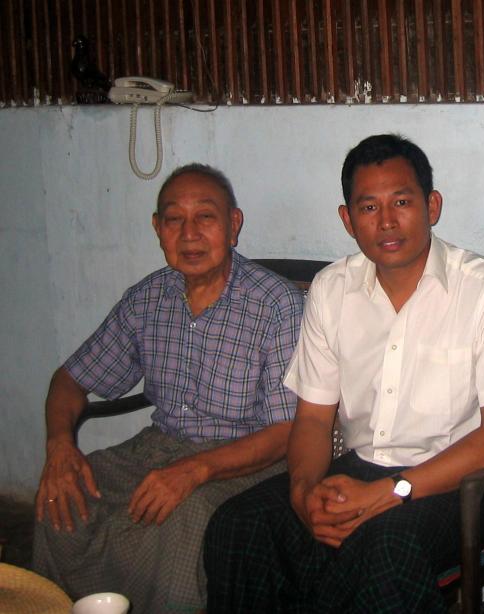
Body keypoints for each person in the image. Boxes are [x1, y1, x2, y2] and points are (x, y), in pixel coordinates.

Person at [203, 134, 484, 613]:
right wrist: (304, 495)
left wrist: (392, 491)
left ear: (432, 206)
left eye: (402, 202)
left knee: (383, 546)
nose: (386, 221)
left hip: (459, 487)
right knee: (239, 524)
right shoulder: (332, 289)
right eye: (369, 207)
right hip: (358, 470)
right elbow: (312, 419)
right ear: (347, 220)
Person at [32, 164, 304, 612]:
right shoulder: (147, 298)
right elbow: (70, 379)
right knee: (62, 496)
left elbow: (286, 433)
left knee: (182, 521)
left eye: (206, 217)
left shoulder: (276, 305)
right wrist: (59, 445)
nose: (189, 234)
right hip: (158, 446)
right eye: (175, 219)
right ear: (158, 228)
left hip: (247, 458)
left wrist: (195, 470)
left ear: (233, 225)